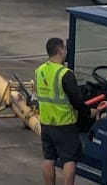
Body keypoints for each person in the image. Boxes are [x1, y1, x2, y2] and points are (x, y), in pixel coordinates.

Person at [37, 37, 82, 185]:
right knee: (69, 159)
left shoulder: (39, 71)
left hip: (46, 123)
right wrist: (90, 112)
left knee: (49, 158)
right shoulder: (65, 74)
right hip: (65, 124)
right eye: (65, 49)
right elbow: (77, 101)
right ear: (60, 51)